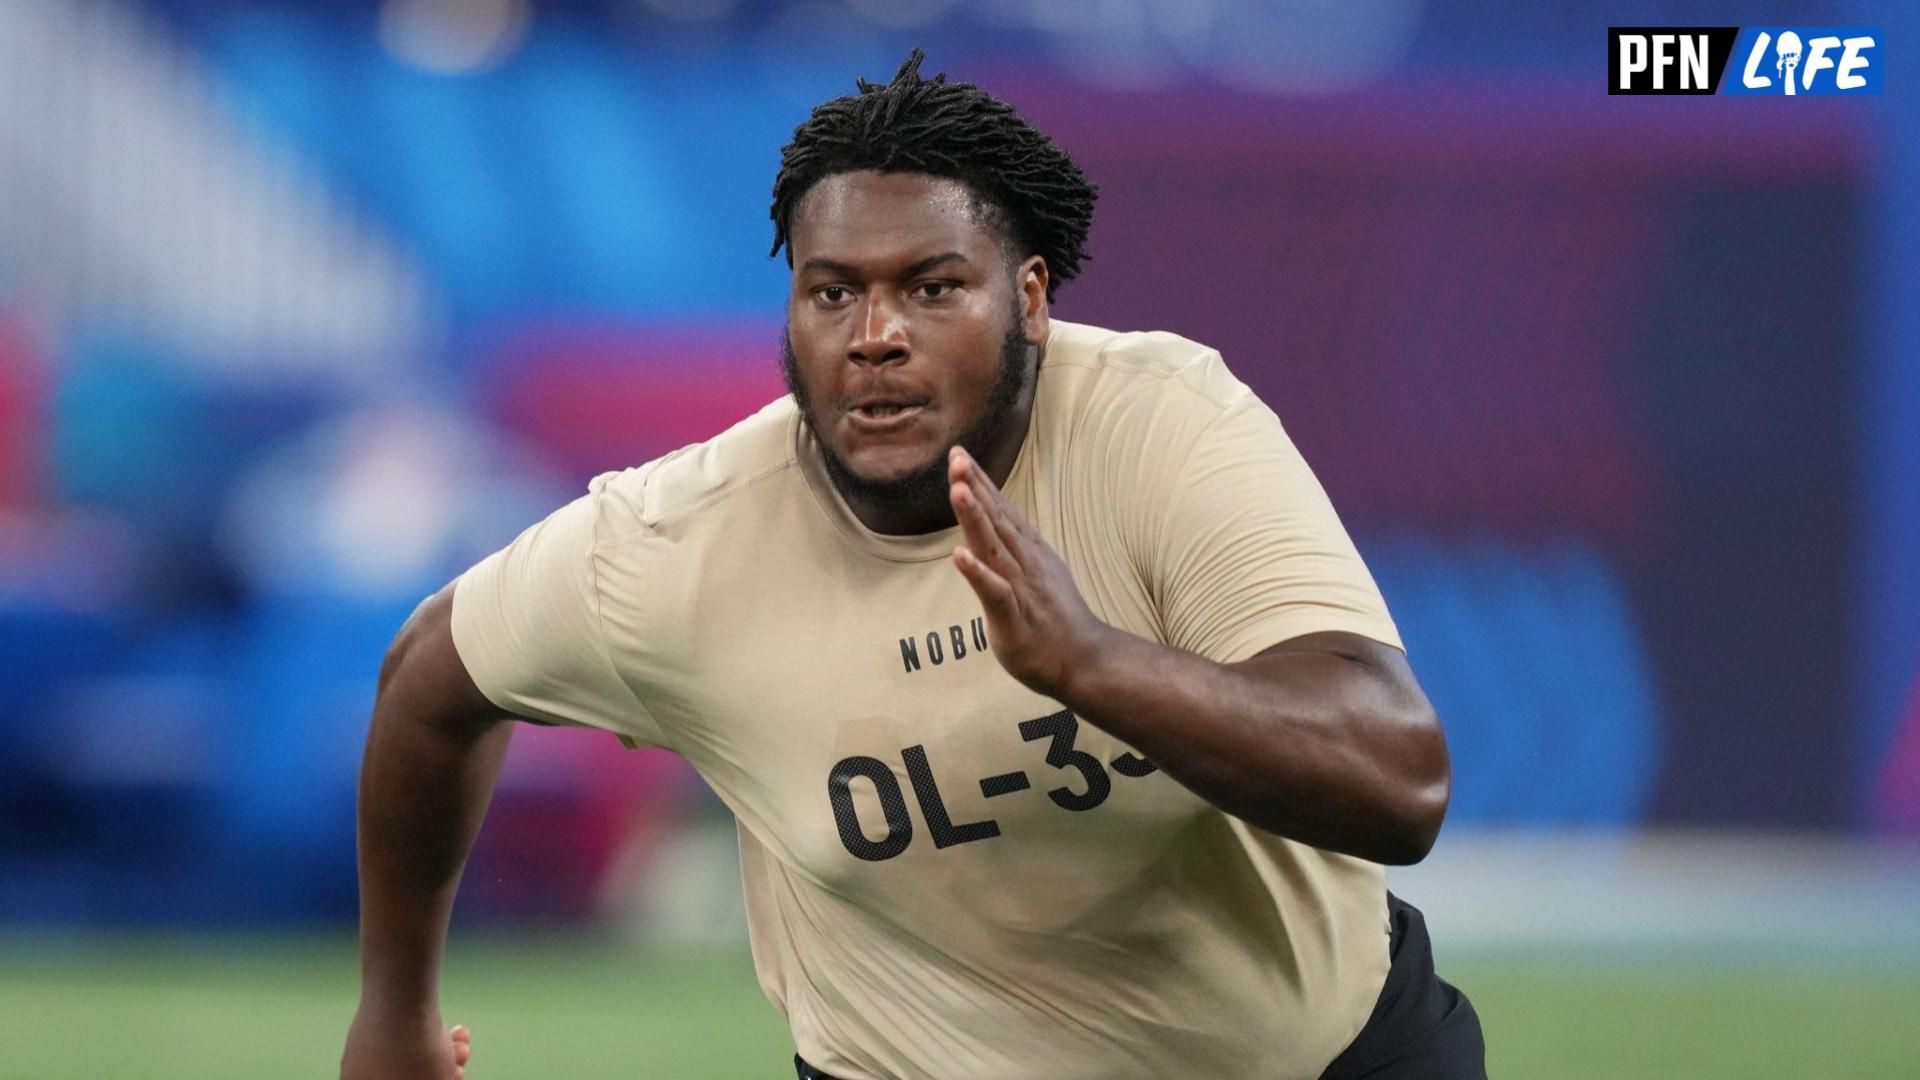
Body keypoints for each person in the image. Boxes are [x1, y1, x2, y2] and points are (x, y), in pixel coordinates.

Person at [341, 49, 1485, 1080]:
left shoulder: (1162, 428)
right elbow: (430, 681)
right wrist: (395, 1011)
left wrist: (1095, 666)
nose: (874, 334)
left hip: (1325, 1057)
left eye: (932, 288)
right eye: (832, 291)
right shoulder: (676, 545)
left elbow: (1398, 781)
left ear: (1029, 300)